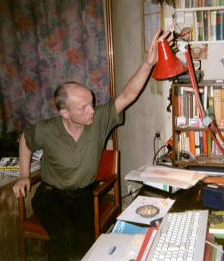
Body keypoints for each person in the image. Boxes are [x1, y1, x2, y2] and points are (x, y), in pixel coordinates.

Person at [12, 30, 172, 260]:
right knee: (64, 236)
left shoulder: (98, 119)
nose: (92, 110)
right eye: (83, 107)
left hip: (82, 196)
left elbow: (127, 96)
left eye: (91, 102)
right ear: (64, 113)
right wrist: (23, 174)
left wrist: (148, 63)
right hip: (50, 196)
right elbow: (25, 141)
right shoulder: (47, 129)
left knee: (87, 245)